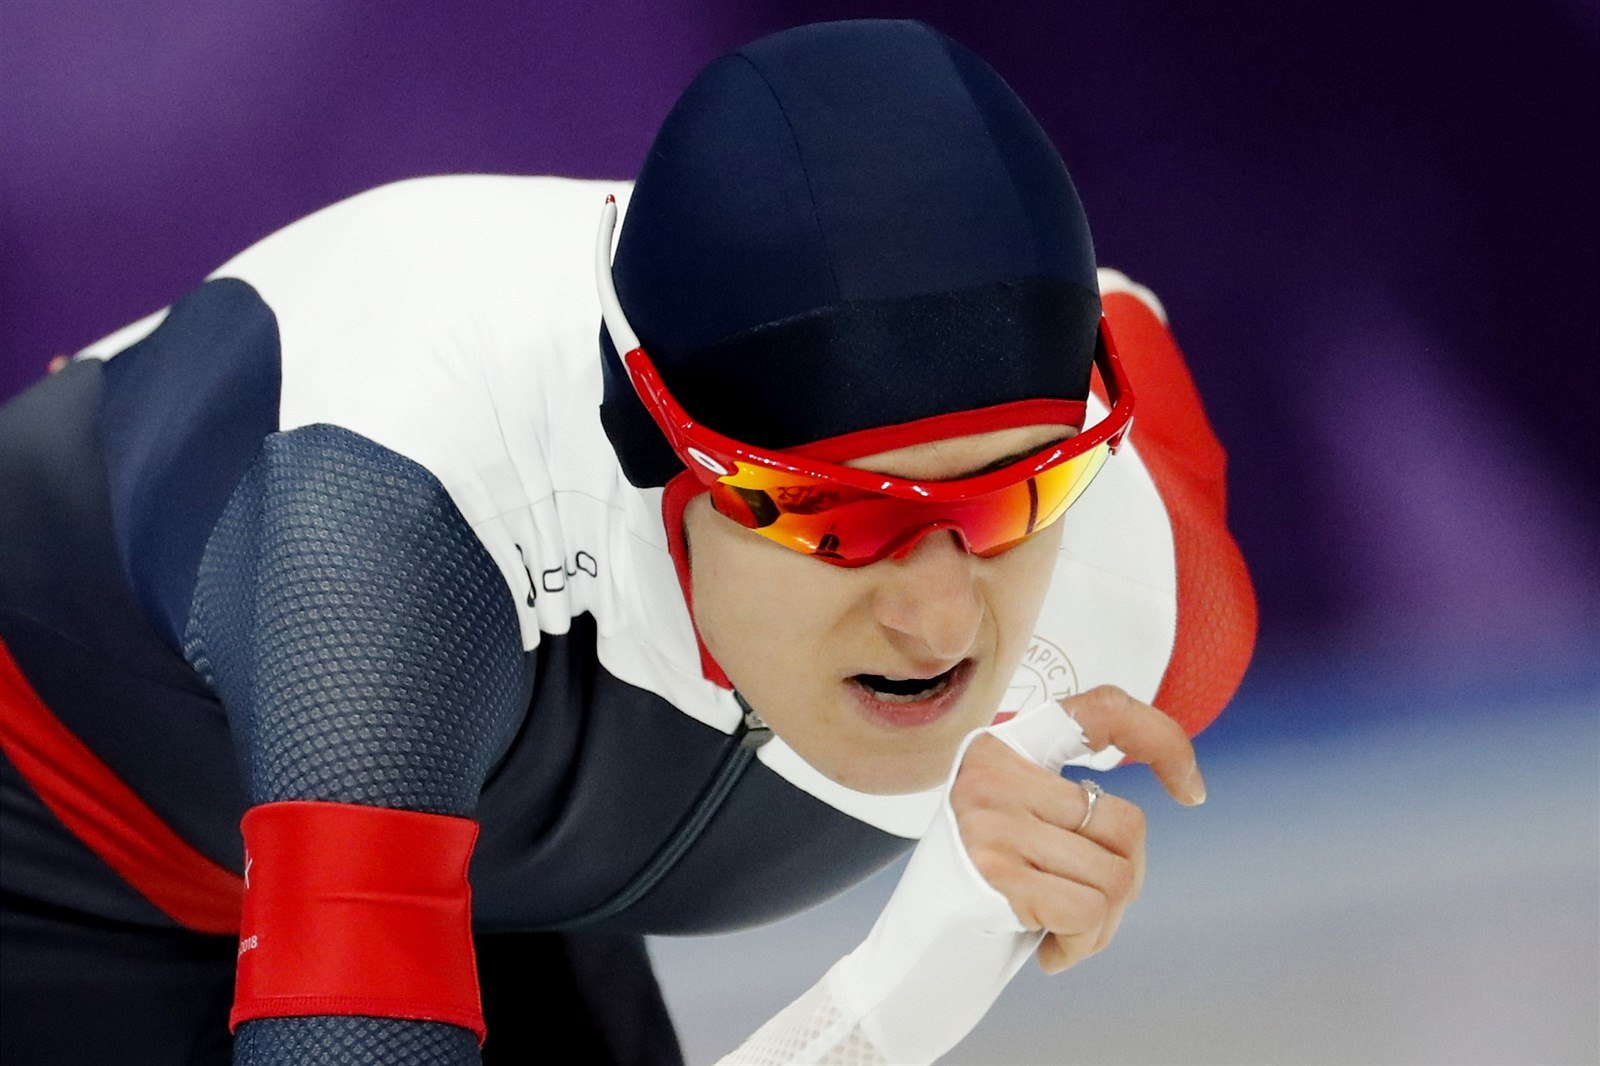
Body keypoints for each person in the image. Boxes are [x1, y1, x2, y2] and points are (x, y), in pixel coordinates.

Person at [0, 19, 1255, 1066]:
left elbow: (1117, 319)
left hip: (492, 875)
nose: (939, 619)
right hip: (57, 853)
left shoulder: (1147, 593)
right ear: (651, 445)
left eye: (1012, 496)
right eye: (832, 517)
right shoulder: (385, 527)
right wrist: (893, 1001)